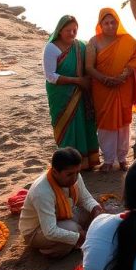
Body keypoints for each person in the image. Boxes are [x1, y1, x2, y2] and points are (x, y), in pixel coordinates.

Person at [19, 148, 104, 258]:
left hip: (62, 216)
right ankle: (51, 250)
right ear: (55, 172)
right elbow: (50, 231)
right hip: (37, 231)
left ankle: (75, 236)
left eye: (77, 172)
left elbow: (86, 199)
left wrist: (96, 209)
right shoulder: (41, 191)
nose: (74, 178)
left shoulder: (75, 176)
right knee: (72, 229)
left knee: (94, 209)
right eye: (69, 174)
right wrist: (79, 237)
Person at [86, 8, 136, 172]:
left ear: (118, 23)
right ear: (100, 24)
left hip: (123, 86)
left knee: (124, 123)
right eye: (106, 23)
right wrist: (104, 79)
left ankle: (123, 159)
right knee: (106, 123)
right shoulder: (94, 41)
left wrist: (123, 76)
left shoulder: (127, 40)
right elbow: (89, 67)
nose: (110, 26)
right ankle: (109, 160)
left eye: (113, 23)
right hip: (102, 88)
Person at [43, 15, 100, 169]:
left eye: (75, 30)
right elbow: (50, 76)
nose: (72, 33)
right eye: (68, 30)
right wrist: (77, 81)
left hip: (81, 95)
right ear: (60, 31)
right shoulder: (51, 48)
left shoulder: (80, 46)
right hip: (61, 95)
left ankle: (84, 162)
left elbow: (92, 63)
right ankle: (68, 163)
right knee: (66, 127)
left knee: (82, 124)